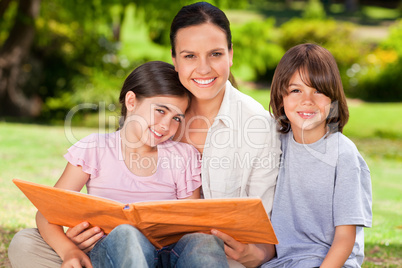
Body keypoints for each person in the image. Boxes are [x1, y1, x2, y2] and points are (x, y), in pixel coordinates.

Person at [9, 2, 281, 267]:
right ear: (175, 59)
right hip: (111, 248)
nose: (204, 68)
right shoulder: (154, 104)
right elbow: (52, 210)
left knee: (207, 248)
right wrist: (71, 245)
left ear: (231, 54)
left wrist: (257, 253)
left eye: (216, 54)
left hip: (199, 253)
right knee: (26, 244)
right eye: (190, 56)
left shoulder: (256, 126)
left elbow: (261, 233)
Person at [9, 61, 229, 268]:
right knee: (26, 242)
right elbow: (47, 213)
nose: (166, 126)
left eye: (177, 118)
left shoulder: (183, 156)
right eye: (160, 111)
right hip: (110, 253)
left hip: (168, 255)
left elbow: (191, 225)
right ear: (131, 102)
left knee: (206, 243)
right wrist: (68, 251)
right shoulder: (95, 148)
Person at [263, 43, 372, 267]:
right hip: (281, 262)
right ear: (280, 98)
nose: (307, 100)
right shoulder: (275, 142)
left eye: (318, 90)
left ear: (332, 98)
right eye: (296, 90)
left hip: (329, 262)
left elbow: (345, 239)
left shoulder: (343, 153)